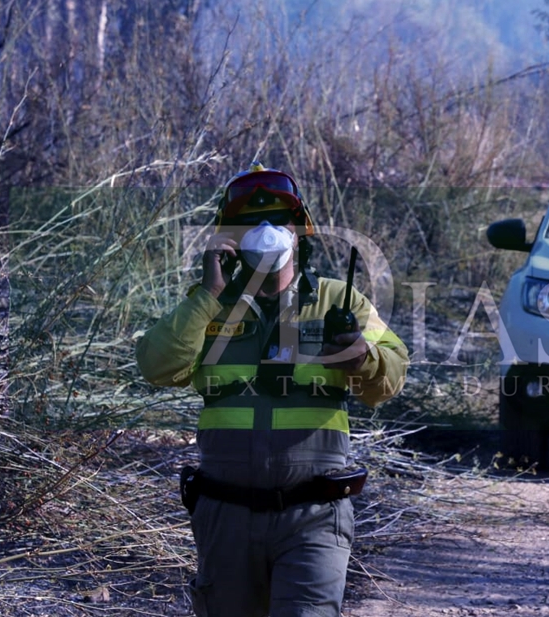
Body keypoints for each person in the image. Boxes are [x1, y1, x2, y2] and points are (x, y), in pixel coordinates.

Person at [135, 162, 409, 616]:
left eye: (278, 217)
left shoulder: (341, 302)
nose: (265, 229)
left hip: (315, 517)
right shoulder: (207, 305)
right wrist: (207, 294)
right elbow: (156, 366)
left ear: (300, 230)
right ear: (228, 238)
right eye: (248, 221)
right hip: (225, 516)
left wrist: (360, 353)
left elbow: (391, 379)